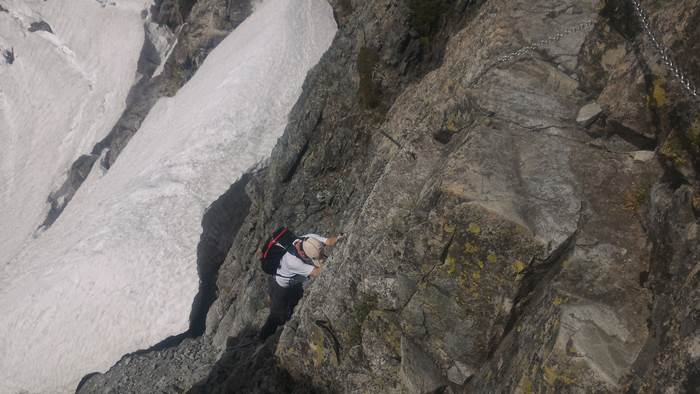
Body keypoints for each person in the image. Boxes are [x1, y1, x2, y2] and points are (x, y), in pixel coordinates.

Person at [258, 232, 342, 340]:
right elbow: (317, 272)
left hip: (288, 279)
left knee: (295, 298)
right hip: (280, 286)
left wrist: (339, 237)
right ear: (303, 254)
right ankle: (262, 337)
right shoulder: (292, 261)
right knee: (277, 315)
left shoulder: (309, 238)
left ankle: (275, 301)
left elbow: (329, 241)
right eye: (310, 258)